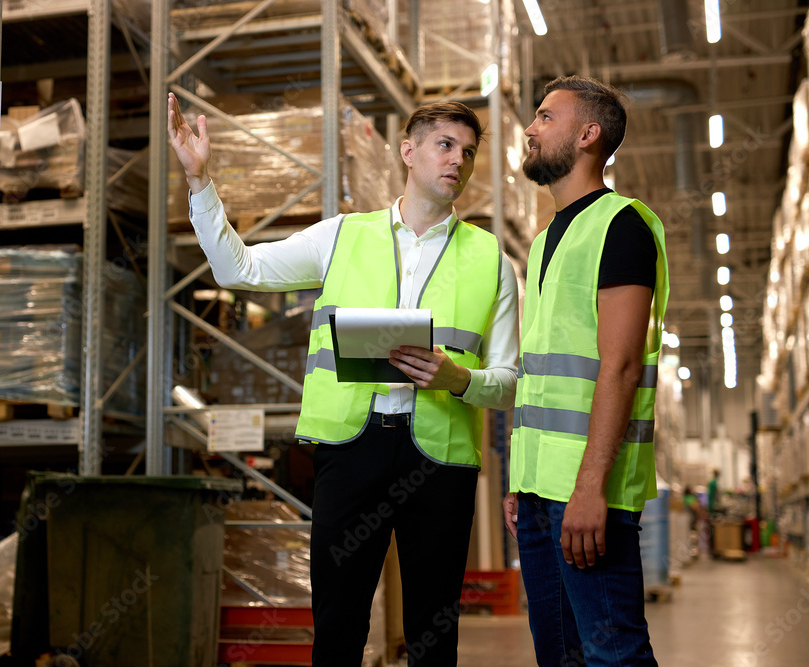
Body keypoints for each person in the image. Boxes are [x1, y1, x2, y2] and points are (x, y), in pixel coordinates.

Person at [168, 92, 519, 666]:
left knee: (434, 628)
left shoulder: (491, 260)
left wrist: (458, 379)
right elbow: (238, 268)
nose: (458, 160)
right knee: (338, 621)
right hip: (349, 449)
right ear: (409, 152)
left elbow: (507, 381)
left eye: (469, 152)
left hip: (440, 460)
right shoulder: (342, 236)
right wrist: (200, 181)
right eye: (444, 145)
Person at [503, 75, 668, 666]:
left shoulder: (620, 225)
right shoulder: (548, 238)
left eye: (546, 117)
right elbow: (544, 374)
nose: (529, 128)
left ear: (588, 134)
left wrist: (590, 487)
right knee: (562, 656)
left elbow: (620, 367)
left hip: (586, 493)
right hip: (541, 494)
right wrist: (522, 479)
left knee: (613, 653)